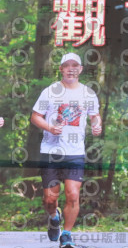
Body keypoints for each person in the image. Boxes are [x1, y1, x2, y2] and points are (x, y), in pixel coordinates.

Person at [30, 52, 102, 248]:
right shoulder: (50, 92)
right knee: (50, 199)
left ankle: (67, 235)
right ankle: (54, 217)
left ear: (80, 69)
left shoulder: (88, 94)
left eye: (75, 65)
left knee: (72, 194)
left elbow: (95, 116)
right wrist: (50, 128)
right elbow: (35, 116)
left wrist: (97, 125)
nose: (71, 69)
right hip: (51, 151)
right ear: (61, 69)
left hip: (75, 152)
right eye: (67, 65)